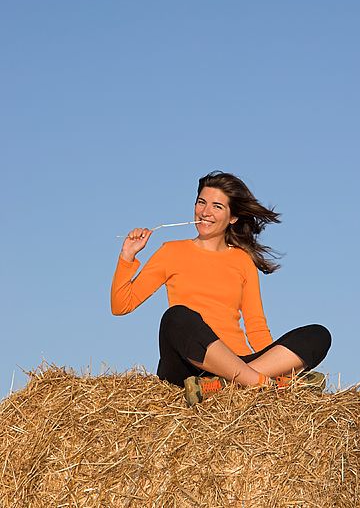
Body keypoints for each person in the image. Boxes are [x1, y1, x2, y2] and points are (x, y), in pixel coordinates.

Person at [111, 170, 332, 406]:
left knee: (318, 335)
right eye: (201, 202)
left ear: (233, 217)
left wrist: (272, 358)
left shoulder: (242, 261)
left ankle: (226, 385)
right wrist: (127, 256)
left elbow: (256, 326)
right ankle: (264, 385)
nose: (205, 212)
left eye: (217, 206)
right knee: (177, 317)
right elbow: (121, 305)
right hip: (188, 366)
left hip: (238, 361)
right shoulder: (171, 252)